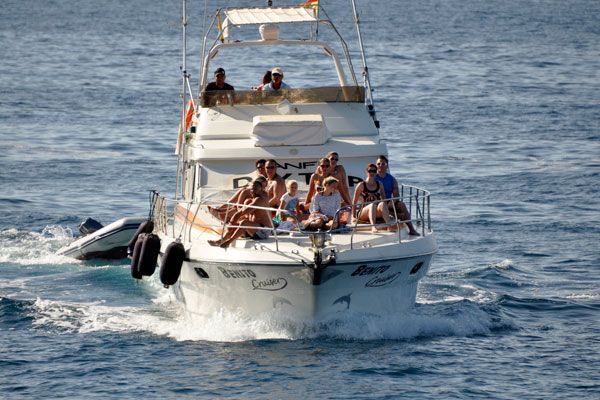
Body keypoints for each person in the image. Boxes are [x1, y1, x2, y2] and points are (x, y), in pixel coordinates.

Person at [208, 180, 273, 248]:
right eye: (252, 189)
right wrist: (232, 224)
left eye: (255, 189)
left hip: (264, 231)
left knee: (244, 223)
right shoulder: (250, 200)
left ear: (261, 190)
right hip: (255, 229)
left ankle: (229, 241)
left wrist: (232, 221)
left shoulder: (259, 200)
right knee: (235, 225)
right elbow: (240, 212)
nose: (253, 191)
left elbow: (242, 212)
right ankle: (220, 241)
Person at [374, 155, 420, 235]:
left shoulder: (392, 179)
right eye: (378, 164)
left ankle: (411, 229)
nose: (381, 165)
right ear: (376, 166)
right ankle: (398, 216)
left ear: (387, 166)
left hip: (389, 202)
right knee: (383, 205)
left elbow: (396, 194)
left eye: (383, 164)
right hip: (378, 203)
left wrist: (392, 202)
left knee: (402, 205)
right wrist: (384, 203)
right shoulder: (374, 178)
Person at [351, 163, 395, 233]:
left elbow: (384, 200)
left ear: (376, 172)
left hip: (376, 211)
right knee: (372, 205)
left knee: (382, 203)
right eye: (370, 171)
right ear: (367, 172)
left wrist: (387, 212)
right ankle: (373, 227)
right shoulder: (361, 185)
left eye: (374, 171)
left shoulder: (379, 184)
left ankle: (389, 226)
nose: (372, 173)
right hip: (363, 212)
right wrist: (353, 216)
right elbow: (354, 201)